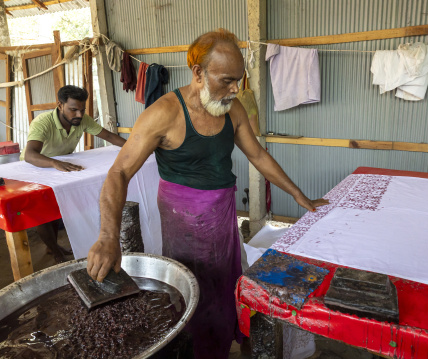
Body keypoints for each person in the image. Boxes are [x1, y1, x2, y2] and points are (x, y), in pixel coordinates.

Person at [86, 29, 329, 358]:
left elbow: (257, 155)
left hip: (222, 216)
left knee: (228, 281)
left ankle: (229, 335)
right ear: (198, 72)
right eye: (227, 80)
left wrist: (299, 196)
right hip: (182, 219)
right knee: (194, 290)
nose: (235, 89)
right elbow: (119, 172)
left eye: (239, 80)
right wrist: (106, 235)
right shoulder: (163, 114)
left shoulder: (232, 108)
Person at [21, 85, 126, 263]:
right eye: (73, 109)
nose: (78, 114)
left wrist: (136, 148)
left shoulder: (82, 120)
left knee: (55, 210)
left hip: (60, 169)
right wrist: (54, 162)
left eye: (82, 109)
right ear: (60, 105)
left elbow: (109, 136)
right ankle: (56, 252)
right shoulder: (42, 122)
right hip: (35, 169)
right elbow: (30, 155)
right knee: (43, 214)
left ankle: (51, 247)